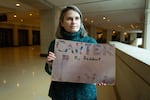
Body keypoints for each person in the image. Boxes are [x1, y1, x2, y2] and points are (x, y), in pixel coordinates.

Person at [45, 5, 98, 100]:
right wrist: (50, 64)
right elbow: (49, 71)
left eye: (77, 18)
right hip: (61, 93)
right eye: (69, 19)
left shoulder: (91, 43)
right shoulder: (55, 44)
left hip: (85, 93)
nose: (73, 22)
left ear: (80, 22)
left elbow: (97, 68)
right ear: (61, 23)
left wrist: (100, 76)